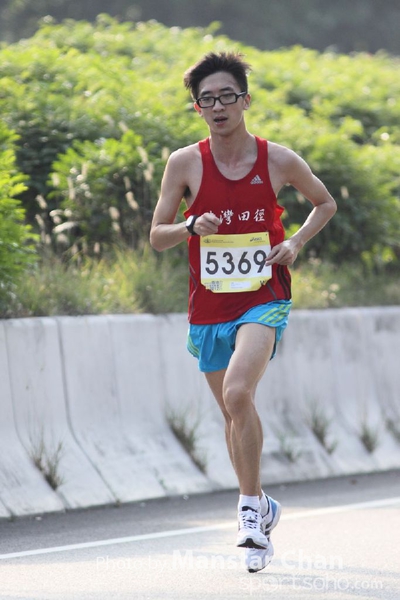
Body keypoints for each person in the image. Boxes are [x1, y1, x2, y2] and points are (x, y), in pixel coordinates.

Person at [150, 51, 337, 572]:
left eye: (226, 96)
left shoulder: (279, 160)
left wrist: (295, 242)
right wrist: (189, 226)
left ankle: (249, 514)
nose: (217, 106)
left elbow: (325, 202)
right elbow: (157, 236)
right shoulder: (184, 163)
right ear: (197, 108)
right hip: (209, 304)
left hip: (264, 296)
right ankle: (263, 503)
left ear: (245, 100)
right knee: (233, 414)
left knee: (237, 393)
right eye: (206, 99)